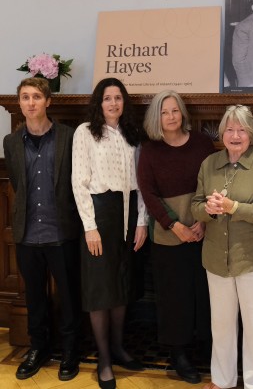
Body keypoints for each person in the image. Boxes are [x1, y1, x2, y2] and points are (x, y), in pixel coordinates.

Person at [191, 104, 253, 389]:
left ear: (251, 133)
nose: (235, 135)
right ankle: (222, 380)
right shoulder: (209, 164)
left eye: (242, 129)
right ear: (222, 133)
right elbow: (196, 207)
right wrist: (208, 209)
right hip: (217, 259)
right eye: (229, 129)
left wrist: (234, 207)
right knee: (221, 326)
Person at [3, 77, 82, 381]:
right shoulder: (11, 142)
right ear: (20, 103)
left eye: (37, 97)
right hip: (27, 234)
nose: (31, 103)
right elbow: (16, 183)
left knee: (69, 296)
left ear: (48, 101)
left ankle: (71, 351)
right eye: (25, 97)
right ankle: (39, 348)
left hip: (61, 232)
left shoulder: (68, 137)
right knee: (34, 297)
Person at [72, 77, 147, 389]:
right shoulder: (85, 133)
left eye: (118, 98)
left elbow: (142, 182)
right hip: (100, 214)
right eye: (107, 98)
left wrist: (141, 221)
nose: (113, 103)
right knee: (100, 289)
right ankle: (103, 358)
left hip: (129, 214)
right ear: (98, 102)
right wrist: (90, 227)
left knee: (121, 283)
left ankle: (117, 347)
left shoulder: (133, 135)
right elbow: (79, 182)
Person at [137, 90, 214, 384]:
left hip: (204, 231)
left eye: (174, 110)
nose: (170, 117)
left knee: (204, 295)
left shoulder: (203, 144)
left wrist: (203, 222)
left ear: (183, 113)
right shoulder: (150, 150)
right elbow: (149, 194)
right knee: (174, 298)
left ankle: (207, 349)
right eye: (164, 112)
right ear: (156, 117)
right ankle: (178, 354)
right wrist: (175, 225)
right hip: (169, 238)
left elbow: (213, 183)